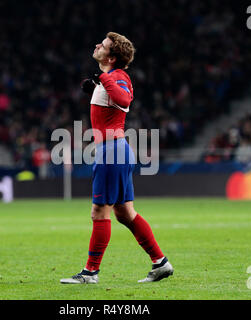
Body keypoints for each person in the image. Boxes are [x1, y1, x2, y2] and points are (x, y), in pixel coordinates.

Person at [60, 32, 173, 284]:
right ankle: (160, 263)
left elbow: (124, 98)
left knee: (99, 212)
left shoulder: (117, 76)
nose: (97, 45)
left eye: (104, 45)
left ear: (111, 57)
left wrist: (102, 80)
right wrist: (98, 85)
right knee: (125, 213)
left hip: (112, 152)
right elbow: (113, 101)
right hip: (115, 149)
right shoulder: (111, 78)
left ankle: (90, 272)